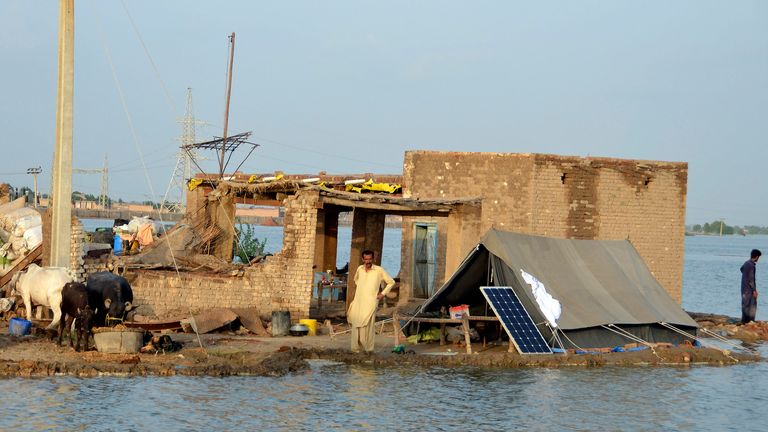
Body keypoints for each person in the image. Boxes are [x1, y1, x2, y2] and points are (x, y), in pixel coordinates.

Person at [347, 250, 395, 353]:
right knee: (356, 326)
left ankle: (369, 350)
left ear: (373, 259)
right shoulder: (360, 269)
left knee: (367, 327)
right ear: (363, 259)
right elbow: (356, 281)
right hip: (358, 302)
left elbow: (391, 282)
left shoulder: (379, 270)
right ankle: (355, 350)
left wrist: (382, 294)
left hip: (371, 303)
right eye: (366, 259)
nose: (368, 261)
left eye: (370, 259)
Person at [740, 249, 761, 324]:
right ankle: (750, 321)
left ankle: (744, 321)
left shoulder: (746, 263)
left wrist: (745, 275)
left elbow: (741, 269)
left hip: (744, 288)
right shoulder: (752, 265)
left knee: (745, 304)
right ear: (756, 257)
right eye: (758, 257)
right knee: (752, 304)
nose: (758, 259)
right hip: (749, 289)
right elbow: (751, 279)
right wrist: (754, 290)